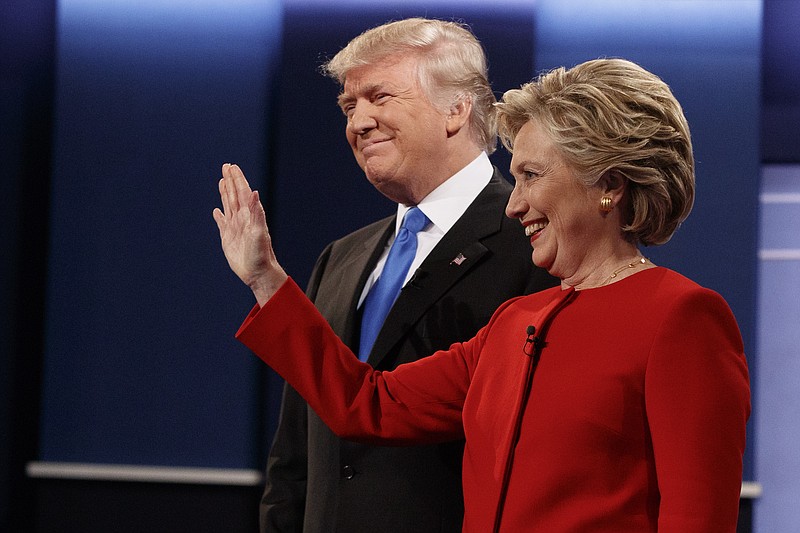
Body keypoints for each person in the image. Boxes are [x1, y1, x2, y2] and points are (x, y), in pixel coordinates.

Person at [214, 58, 751, 532]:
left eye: (531, 176)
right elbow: (368, 404)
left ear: (608, 184)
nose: (514, 205)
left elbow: (696, 519)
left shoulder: (680, 317)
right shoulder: (515, 321)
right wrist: (266, 280)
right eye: (513, 178)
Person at [245, 18, 557, 533]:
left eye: (379, 97)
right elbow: (296, 452)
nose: (358, 122)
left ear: (455, 110)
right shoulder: (340, 259)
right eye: (349, 106)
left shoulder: (533, 243)